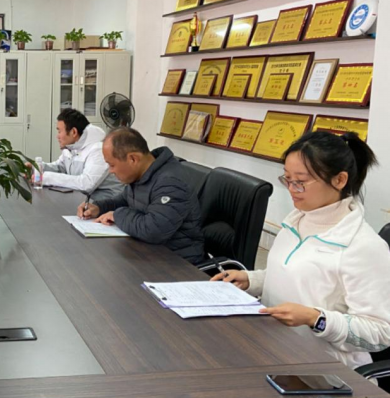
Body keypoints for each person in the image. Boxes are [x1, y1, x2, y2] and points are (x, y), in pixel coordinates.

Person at [212, 132, 390, 370]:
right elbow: (298, 278)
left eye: (301, 181)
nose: (292, 189)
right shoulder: (298, 220)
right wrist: (252, 280)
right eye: (287, 179)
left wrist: (316, 319)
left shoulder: (363, 246)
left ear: (339, 180)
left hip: (323, 368)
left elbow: (380, 333)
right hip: (272, 346)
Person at [79, 127, 206, 265]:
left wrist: (116, 215)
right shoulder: (143, 172)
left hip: (178, 262)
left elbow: (154, 230)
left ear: (133, 159)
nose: (110, 171)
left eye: (112, 165)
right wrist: (98, 207)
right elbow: (124, 200)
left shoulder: (170, 182)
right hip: (148, 252)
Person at [38, 109, 123, 200]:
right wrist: (37, 168)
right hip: (82, 198)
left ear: (74, 132)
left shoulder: (98, 150)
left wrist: (47, 177)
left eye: (59, 131)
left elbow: (86, 184)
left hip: (107, 202)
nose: (57, 136)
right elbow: (60, 168)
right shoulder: (71, 147)